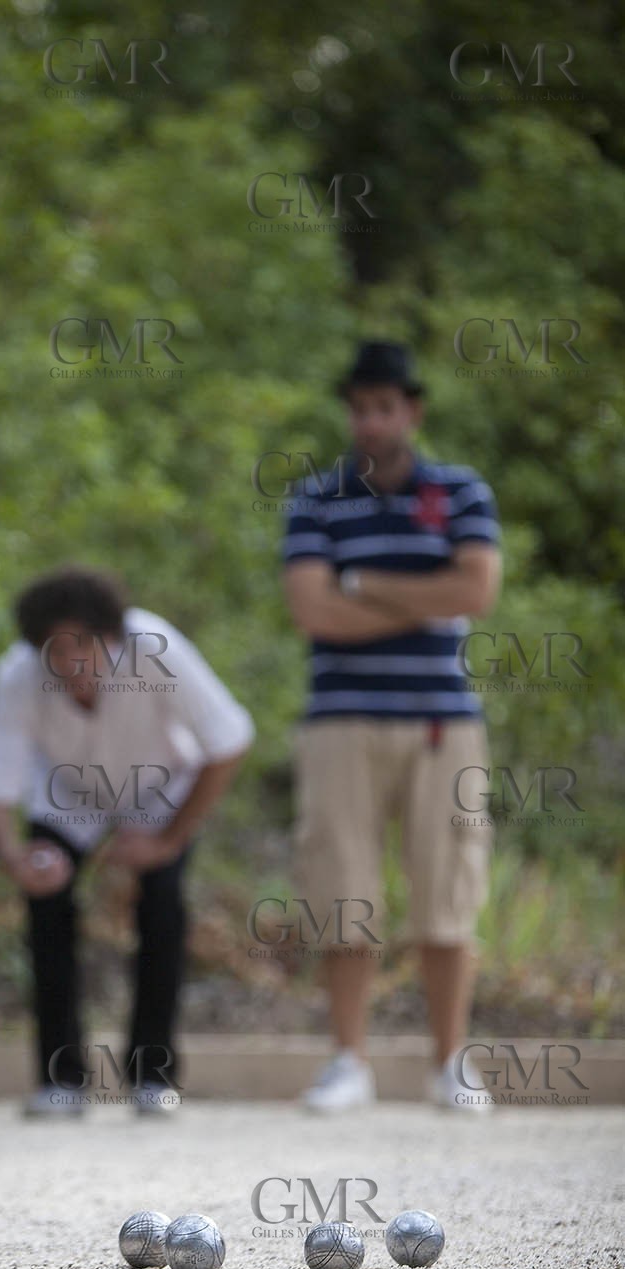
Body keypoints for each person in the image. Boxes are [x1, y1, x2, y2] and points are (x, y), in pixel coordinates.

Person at [283, 340, 501, 1113]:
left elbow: (473, 592)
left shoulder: (461, 492)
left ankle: (449, 1063)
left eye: (383, 407)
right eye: (358, 407)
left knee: (447, 892)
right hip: (339, 721)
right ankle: (348, 1061)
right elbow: (312, 612)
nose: (369, 422)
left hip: (443, 722)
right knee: (341, 893)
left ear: (410, 409)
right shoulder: (313, 498)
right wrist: (420, 594)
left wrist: (363, 584)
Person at [0, 568, 253, 1116]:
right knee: (46, 909)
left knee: (163, 909)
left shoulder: (156, 646)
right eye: (58, 653)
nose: (73, 665)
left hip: (160, 788)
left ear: (113, 636)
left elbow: (229, 740)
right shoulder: (16, 677)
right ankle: (61, 1079)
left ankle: (153, 1074)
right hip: (67, 795)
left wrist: (169, 841)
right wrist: (14, 859)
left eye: (85, 647)